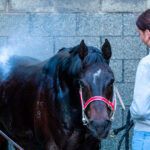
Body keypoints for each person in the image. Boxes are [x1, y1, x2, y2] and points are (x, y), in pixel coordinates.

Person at [130, 9, 150, 150]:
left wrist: (132, 112)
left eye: (140, 34)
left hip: (146, 134)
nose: (141, 38)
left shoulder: (146, 63)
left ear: (147, 33)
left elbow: (140, 110)